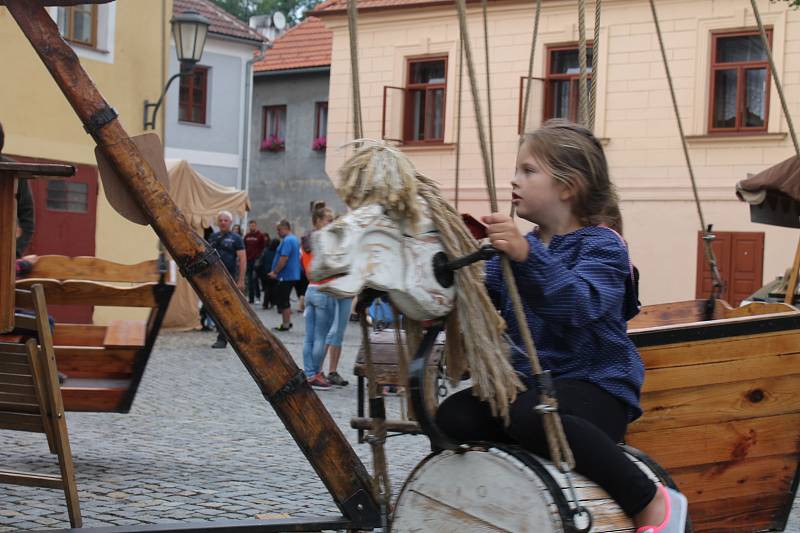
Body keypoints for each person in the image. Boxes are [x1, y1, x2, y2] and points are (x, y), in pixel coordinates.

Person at [435, 120, 687, 533]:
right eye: (516, 170)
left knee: (530, 414)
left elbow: (579, 304)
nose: (514, 180)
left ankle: (651, 502)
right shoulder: (524, 247)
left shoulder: (602, 245)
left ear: (568, 188)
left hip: (596, 390)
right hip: (536, 389)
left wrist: (524, 258)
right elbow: (483, 300)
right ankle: (502, 500)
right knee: (454, 416)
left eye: (528, 170)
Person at [301, 206, 336, 390]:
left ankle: (308, 373)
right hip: (324, 288)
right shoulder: (327, 241)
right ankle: (315, 373)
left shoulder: (307, 240)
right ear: (319, 221)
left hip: (311, 288)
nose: (331, 223)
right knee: (321, 336)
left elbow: (306, 269)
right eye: (328, 220)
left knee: (309, 337)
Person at [208, 211, 246, 348]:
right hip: (213, 279)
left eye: (226, 220)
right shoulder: (213, 237)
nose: (223, 222)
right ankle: (225, 333)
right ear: (218, 222)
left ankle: (223, 337)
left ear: (230, 223)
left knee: (228, 308)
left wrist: (241, 280)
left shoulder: (236, 238)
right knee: (215, 309)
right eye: (221, 220)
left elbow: (242, 259)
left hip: (229, 278)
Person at [269, 220, 301, 331]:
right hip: (290, 274)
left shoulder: (288, 240)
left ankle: (286, 324)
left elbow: (284, 258)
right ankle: (286, 322)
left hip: (286, 275)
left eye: (279, 229)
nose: (278, 232)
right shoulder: (293, 239)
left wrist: (275, 272)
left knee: (283, 299)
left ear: (286, 228)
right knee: (284, 298)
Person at [323, 295, 352, 387]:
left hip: (347, 292)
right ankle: (316, 372)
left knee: (339, 333)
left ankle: (332, 372)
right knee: (329, 332)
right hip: (330, 290)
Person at [243, 220, 266, 304]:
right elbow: (244, 247)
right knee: (249, 279)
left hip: (256, 261)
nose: (252, 227)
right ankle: (251, 298)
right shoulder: (247, 236)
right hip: (248, 260)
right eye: (250, 225)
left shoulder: (260, 236)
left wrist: (260, 259)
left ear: (256, 226)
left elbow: (263, 248)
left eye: (253, 225)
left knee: (255, 279)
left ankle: (258, 297)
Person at [258, 238, 279, 310]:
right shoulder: (278, 253)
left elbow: (262, 261)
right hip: (275, 272)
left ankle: (265, 304)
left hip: (265, 272)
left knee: (267, 289)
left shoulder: (266, 251)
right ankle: (273, 302)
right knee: (274, 288)